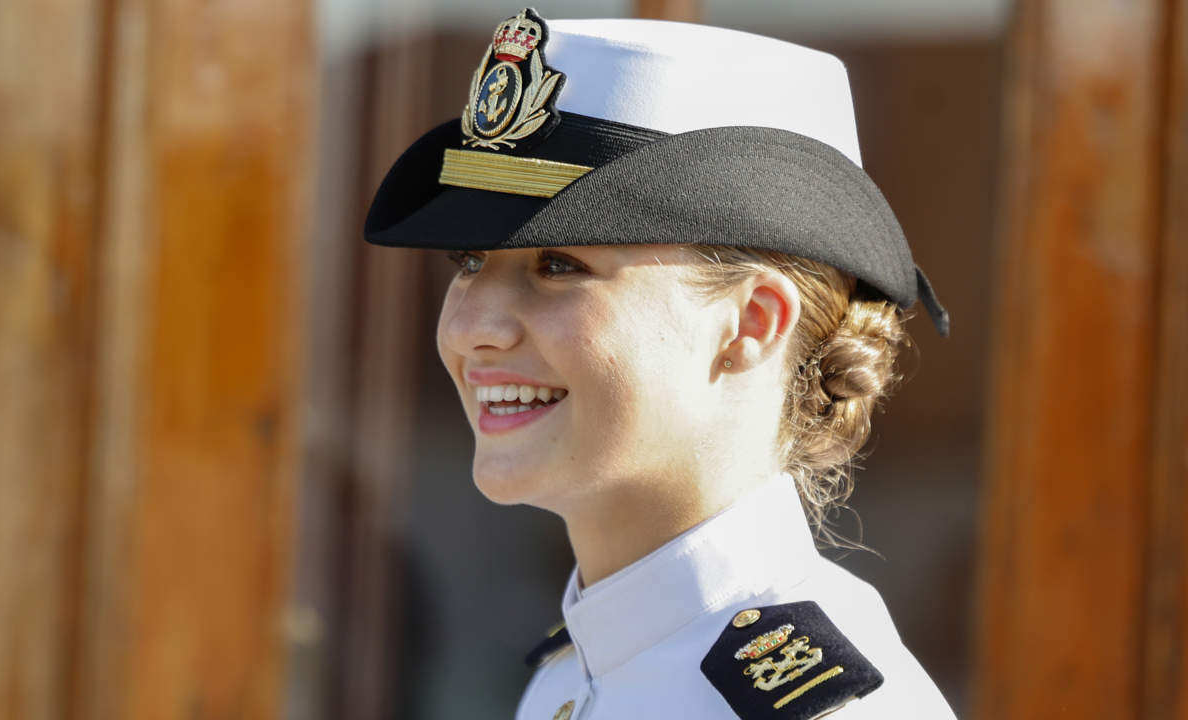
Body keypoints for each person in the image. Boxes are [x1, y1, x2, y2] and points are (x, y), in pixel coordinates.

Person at [365, 8, 956, 719]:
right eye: (468, 262)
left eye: (558, 265)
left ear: (750, 323)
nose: (470, 328)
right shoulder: (574, 672)